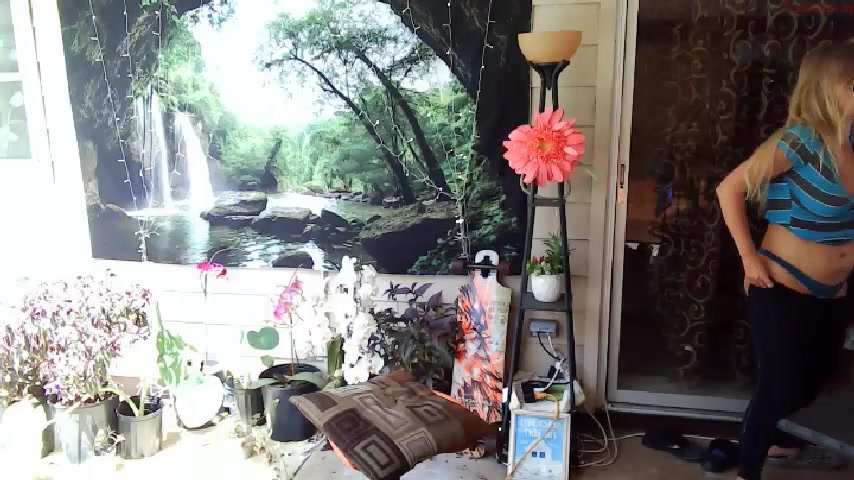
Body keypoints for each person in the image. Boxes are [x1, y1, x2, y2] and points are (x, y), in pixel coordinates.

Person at [716, 42, 854, 480]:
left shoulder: (852, 143)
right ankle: (748, 469)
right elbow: (729, 189)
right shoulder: (801, 141)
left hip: (835, 292)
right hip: (783, 285)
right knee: (779, 388)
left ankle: (777, 443)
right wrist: (748, 258)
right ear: (829, 87)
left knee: (816, 382)